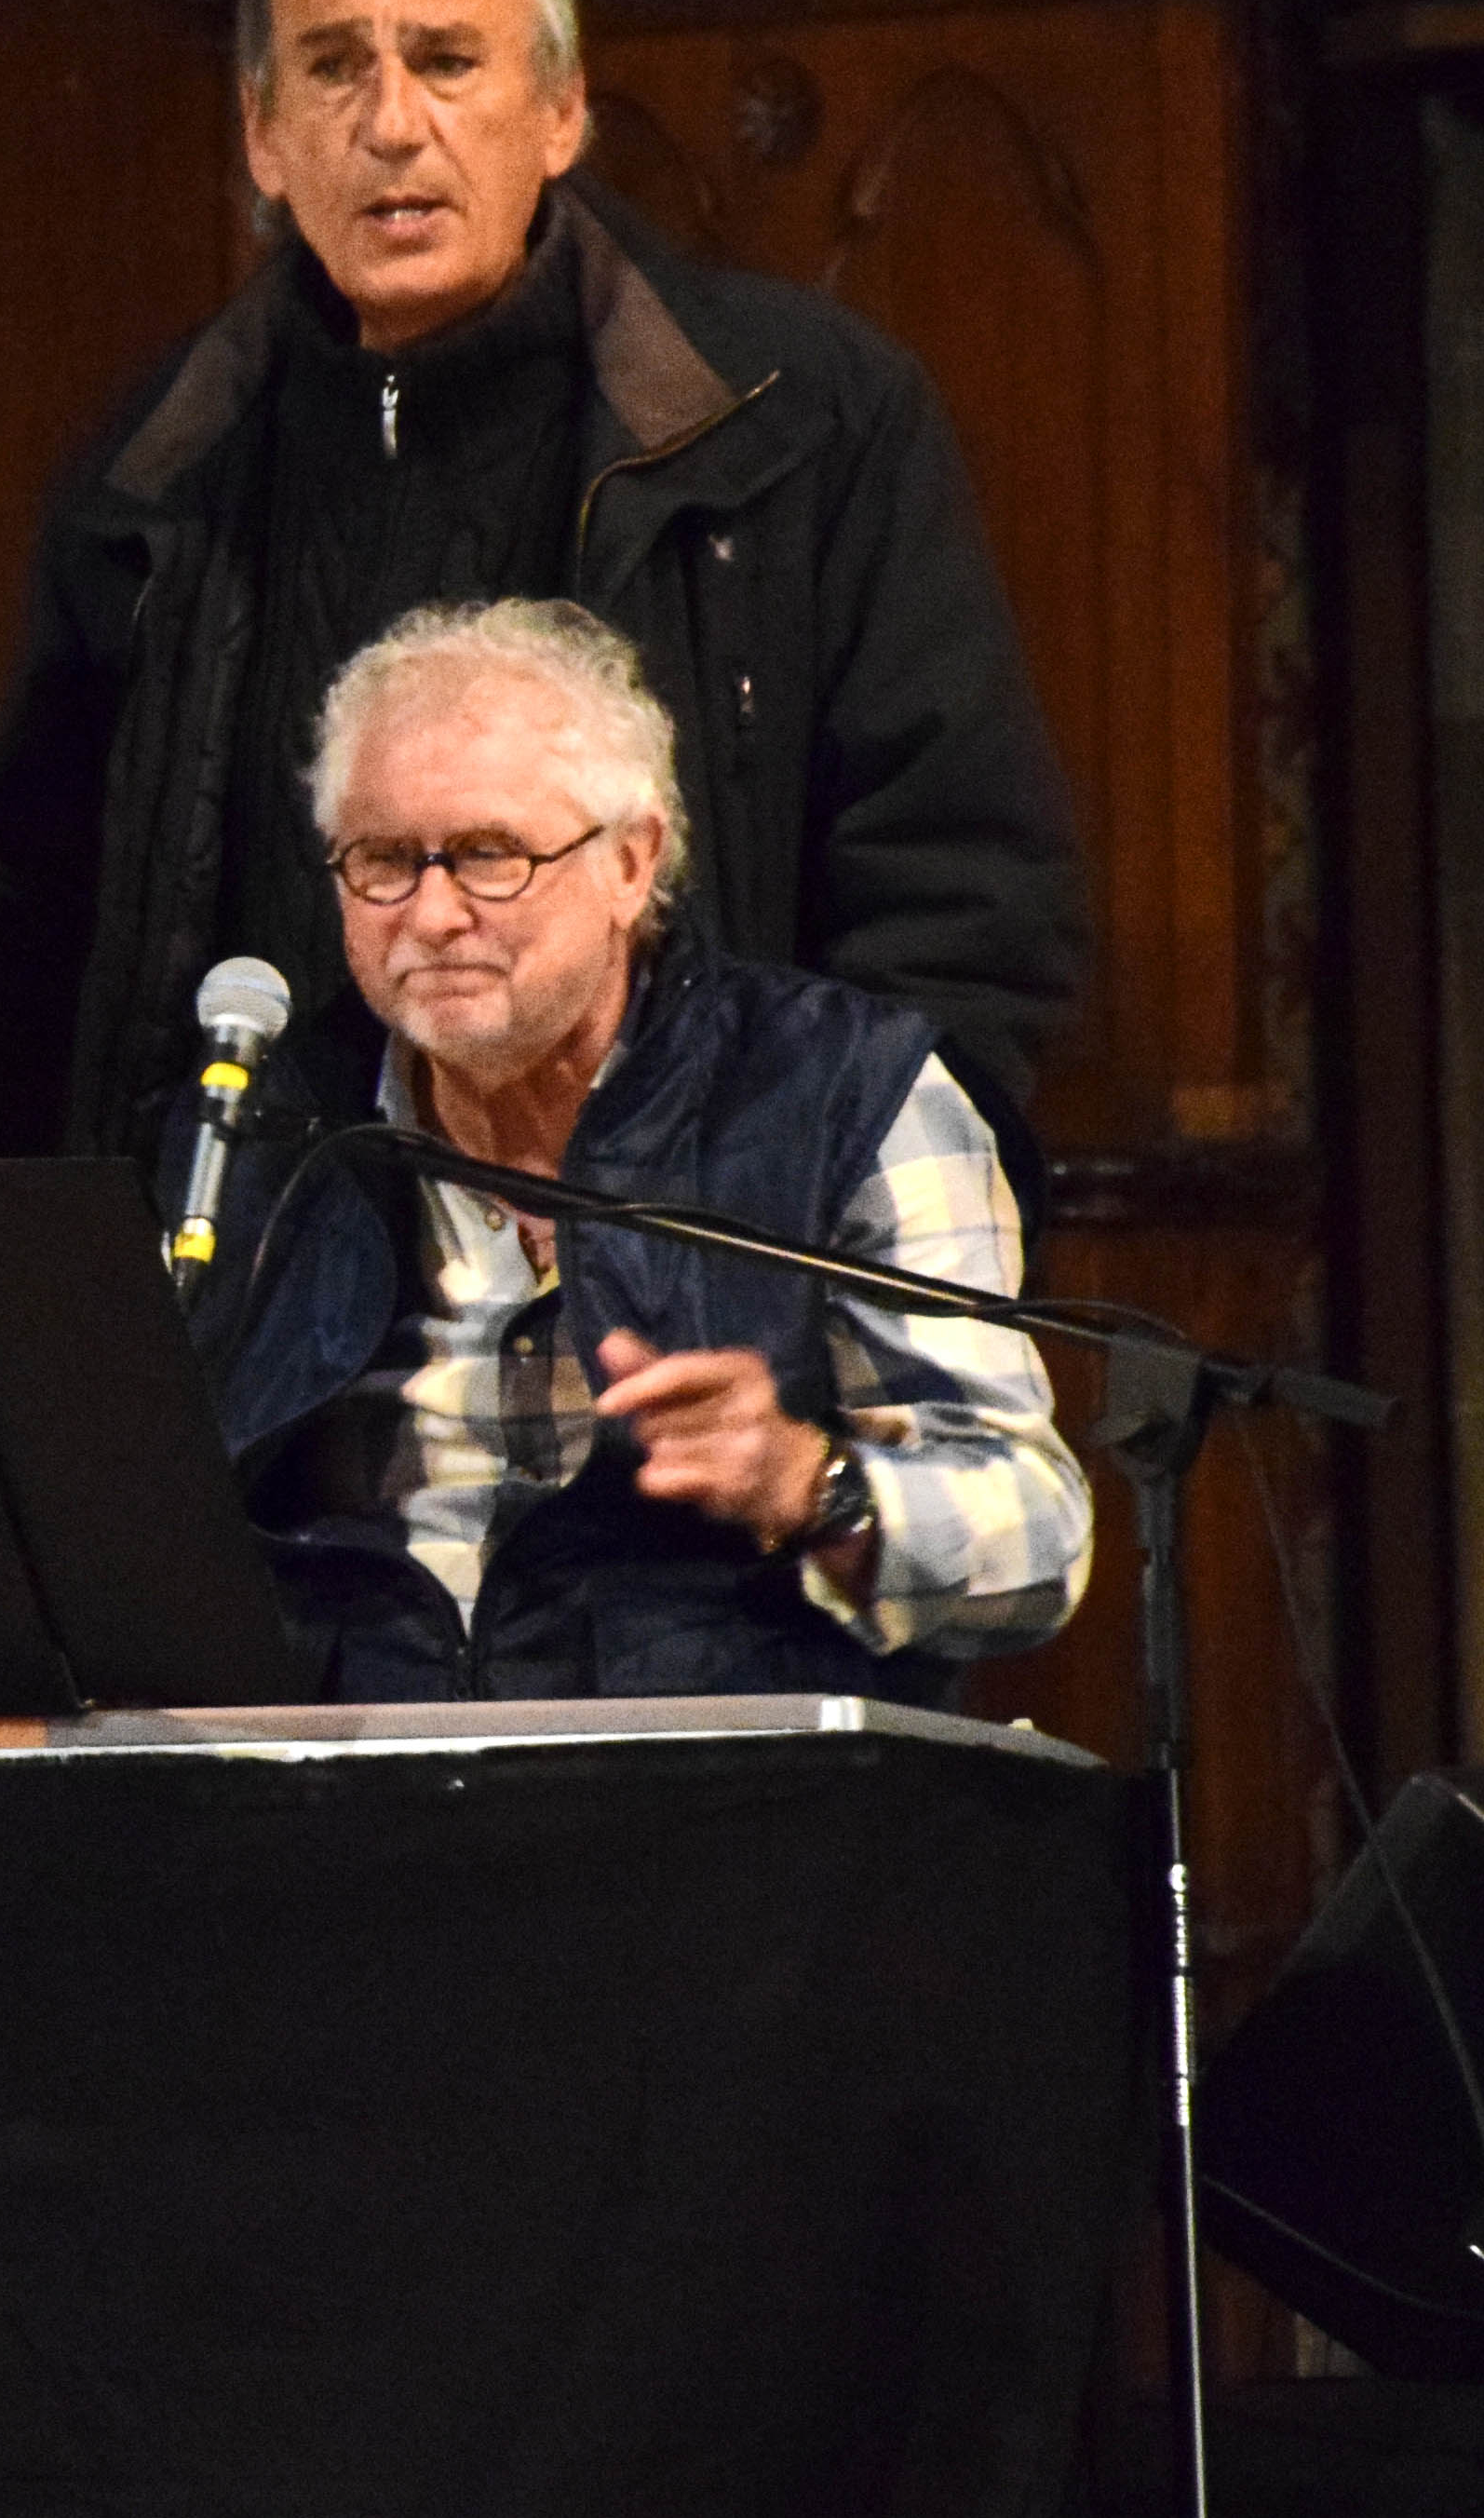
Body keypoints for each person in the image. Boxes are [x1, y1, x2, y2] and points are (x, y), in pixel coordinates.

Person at [0, 0, 1090, 1171]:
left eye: (446, 62)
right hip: (248, 1260)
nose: (391, 124)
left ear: (560, 111)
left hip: (684, 1250)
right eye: (334, 68)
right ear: (264, 136)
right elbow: (40, 950)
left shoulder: (801, 425)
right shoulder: (151, 475)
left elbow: (961, 901)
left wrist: (806, 1223)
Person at [203, 598, 1090, 1699]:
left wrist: (812, 1485)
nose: (431, 914)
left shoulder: (842, 1091)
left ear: (633, 861)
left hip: (713, 1779)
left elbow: (1037, 1543)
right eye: (383, 860)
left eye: (489, 855)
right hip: (351, 1782)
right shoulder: (267, 1125)